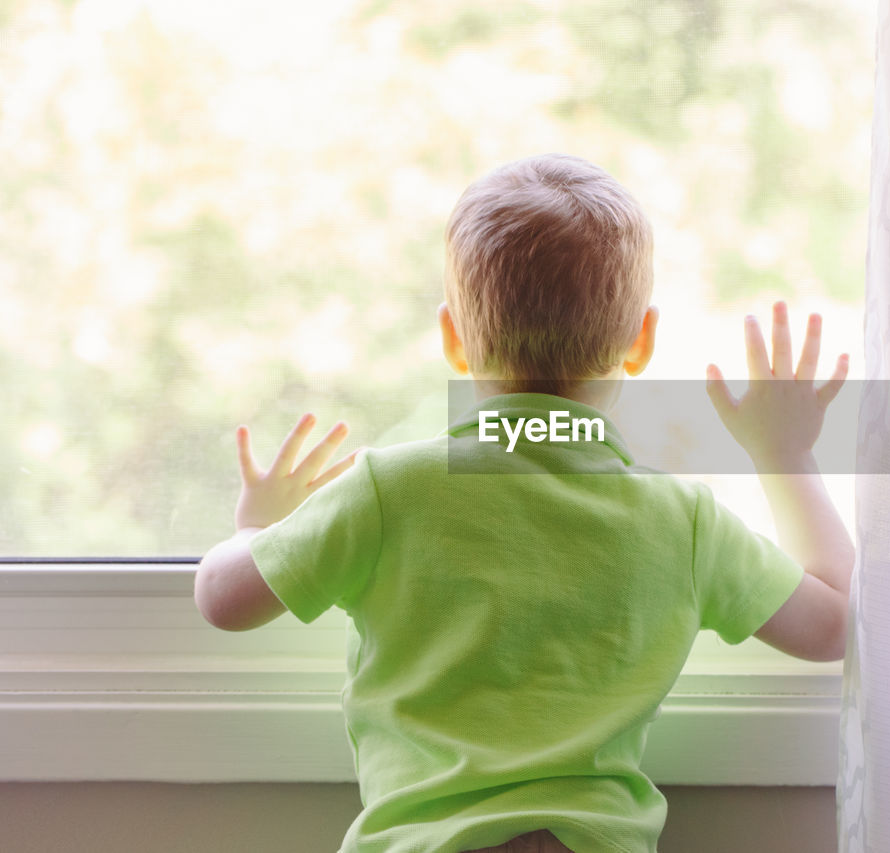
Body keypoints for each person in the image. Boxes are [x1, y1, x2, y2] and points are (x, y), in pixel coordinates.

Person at [194, 153, 854, 853]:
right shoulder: (684, 518)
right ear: (642, 342)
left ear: (453, 338)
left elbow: (221, 599)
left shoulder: (389, 489)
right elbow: (837, 623)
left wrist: (262, 526)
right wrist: (783, 455)